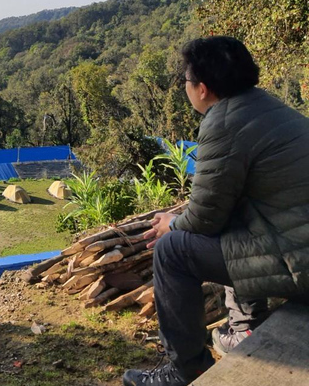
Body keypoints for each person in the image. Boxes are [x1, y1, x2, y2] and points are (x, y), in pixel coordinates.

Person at [123, 36, 309, 386]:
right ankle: (245, 328)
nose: (186, 88)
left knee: (172, 251)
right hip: (296, 246)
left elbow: (204, 219)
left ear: (203, 88)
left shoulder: (223, 122)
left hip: (301, 263)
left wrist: (172, 223)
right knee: (235, 225)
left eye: (186, 82)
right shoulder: (269, 107)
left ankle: (185, 369)